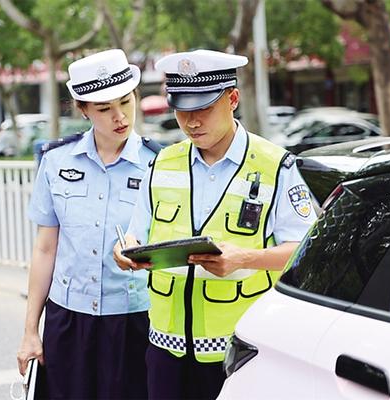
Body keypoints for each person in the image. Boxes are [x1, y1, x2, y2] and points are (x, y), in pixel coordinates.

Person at [114, 50, 317, 400]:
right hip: (165, 349)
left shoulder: (275, 166)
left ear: (232, 99)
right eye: (182, 110)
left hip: (241, 351)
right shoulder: (162, 163)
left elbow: (305, 251)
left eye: (203, 108)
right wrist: (125, 250)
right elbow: (136, 233)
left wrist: (244, 258)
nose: (192, 122)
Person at [18, 49, 159, 399]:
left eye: (125, 102)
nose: (120, 117)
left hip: (134, 317)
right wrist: (31, 331)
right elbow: (45, 249)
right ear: (83, 110)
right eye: (104, 108)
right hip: (68, 318)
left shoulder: (160, 164)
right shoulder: (56, 162)